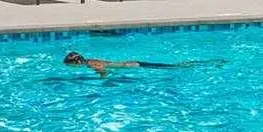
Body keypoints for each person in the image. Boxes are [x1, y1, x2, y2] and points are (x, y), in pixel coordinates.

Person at [63, 51, 201, 78]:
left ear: (77, 62)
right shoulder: (90, 60)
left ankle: (193, 64)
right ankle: (188, 64)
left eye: (71, 65)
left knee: (172, 68)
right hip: (133, 63)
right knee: (167, 66)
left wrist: (103, 79)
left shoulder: (91, 64)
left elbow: (104, 71)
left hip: (135, 65)